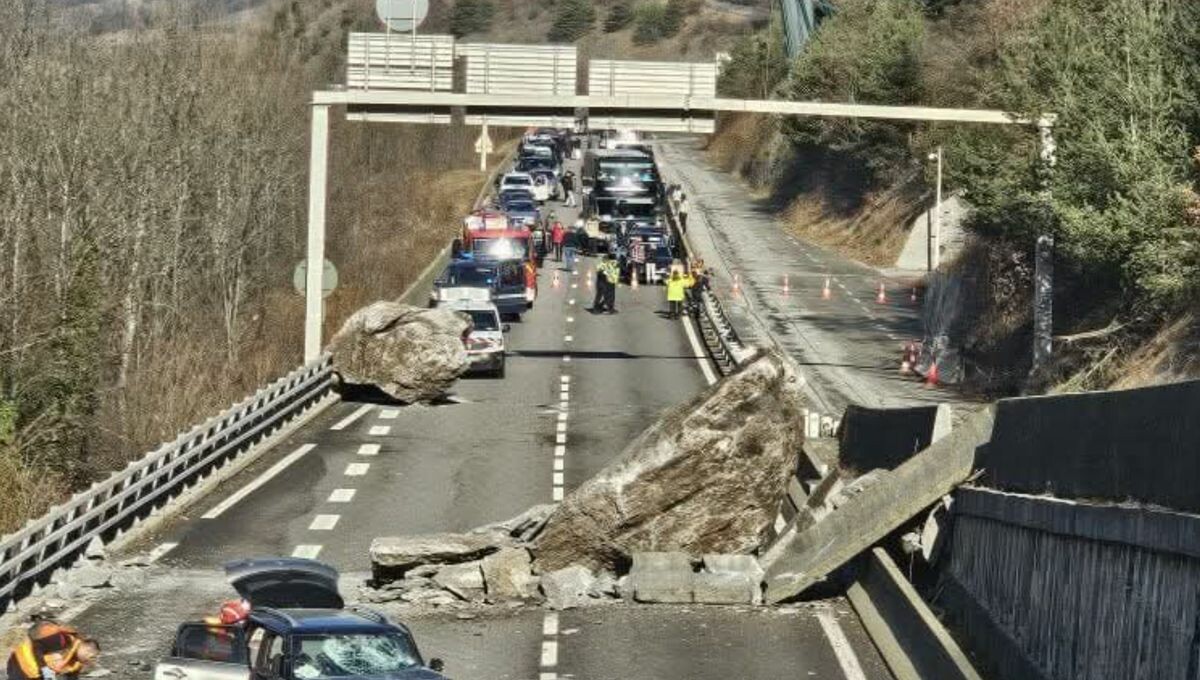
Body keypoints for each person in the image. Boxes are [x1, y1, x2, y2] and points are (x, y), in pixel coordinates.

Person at [7, 621, 100, 680]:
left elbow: (72, 676)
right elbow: (37, 647)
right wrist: (45, 669)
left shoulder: (77, 661)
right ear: (86, 649)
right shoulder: (62, 640)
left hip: (35, 674)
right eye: (91, 657)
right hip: (19, 663)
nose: (89, 661)